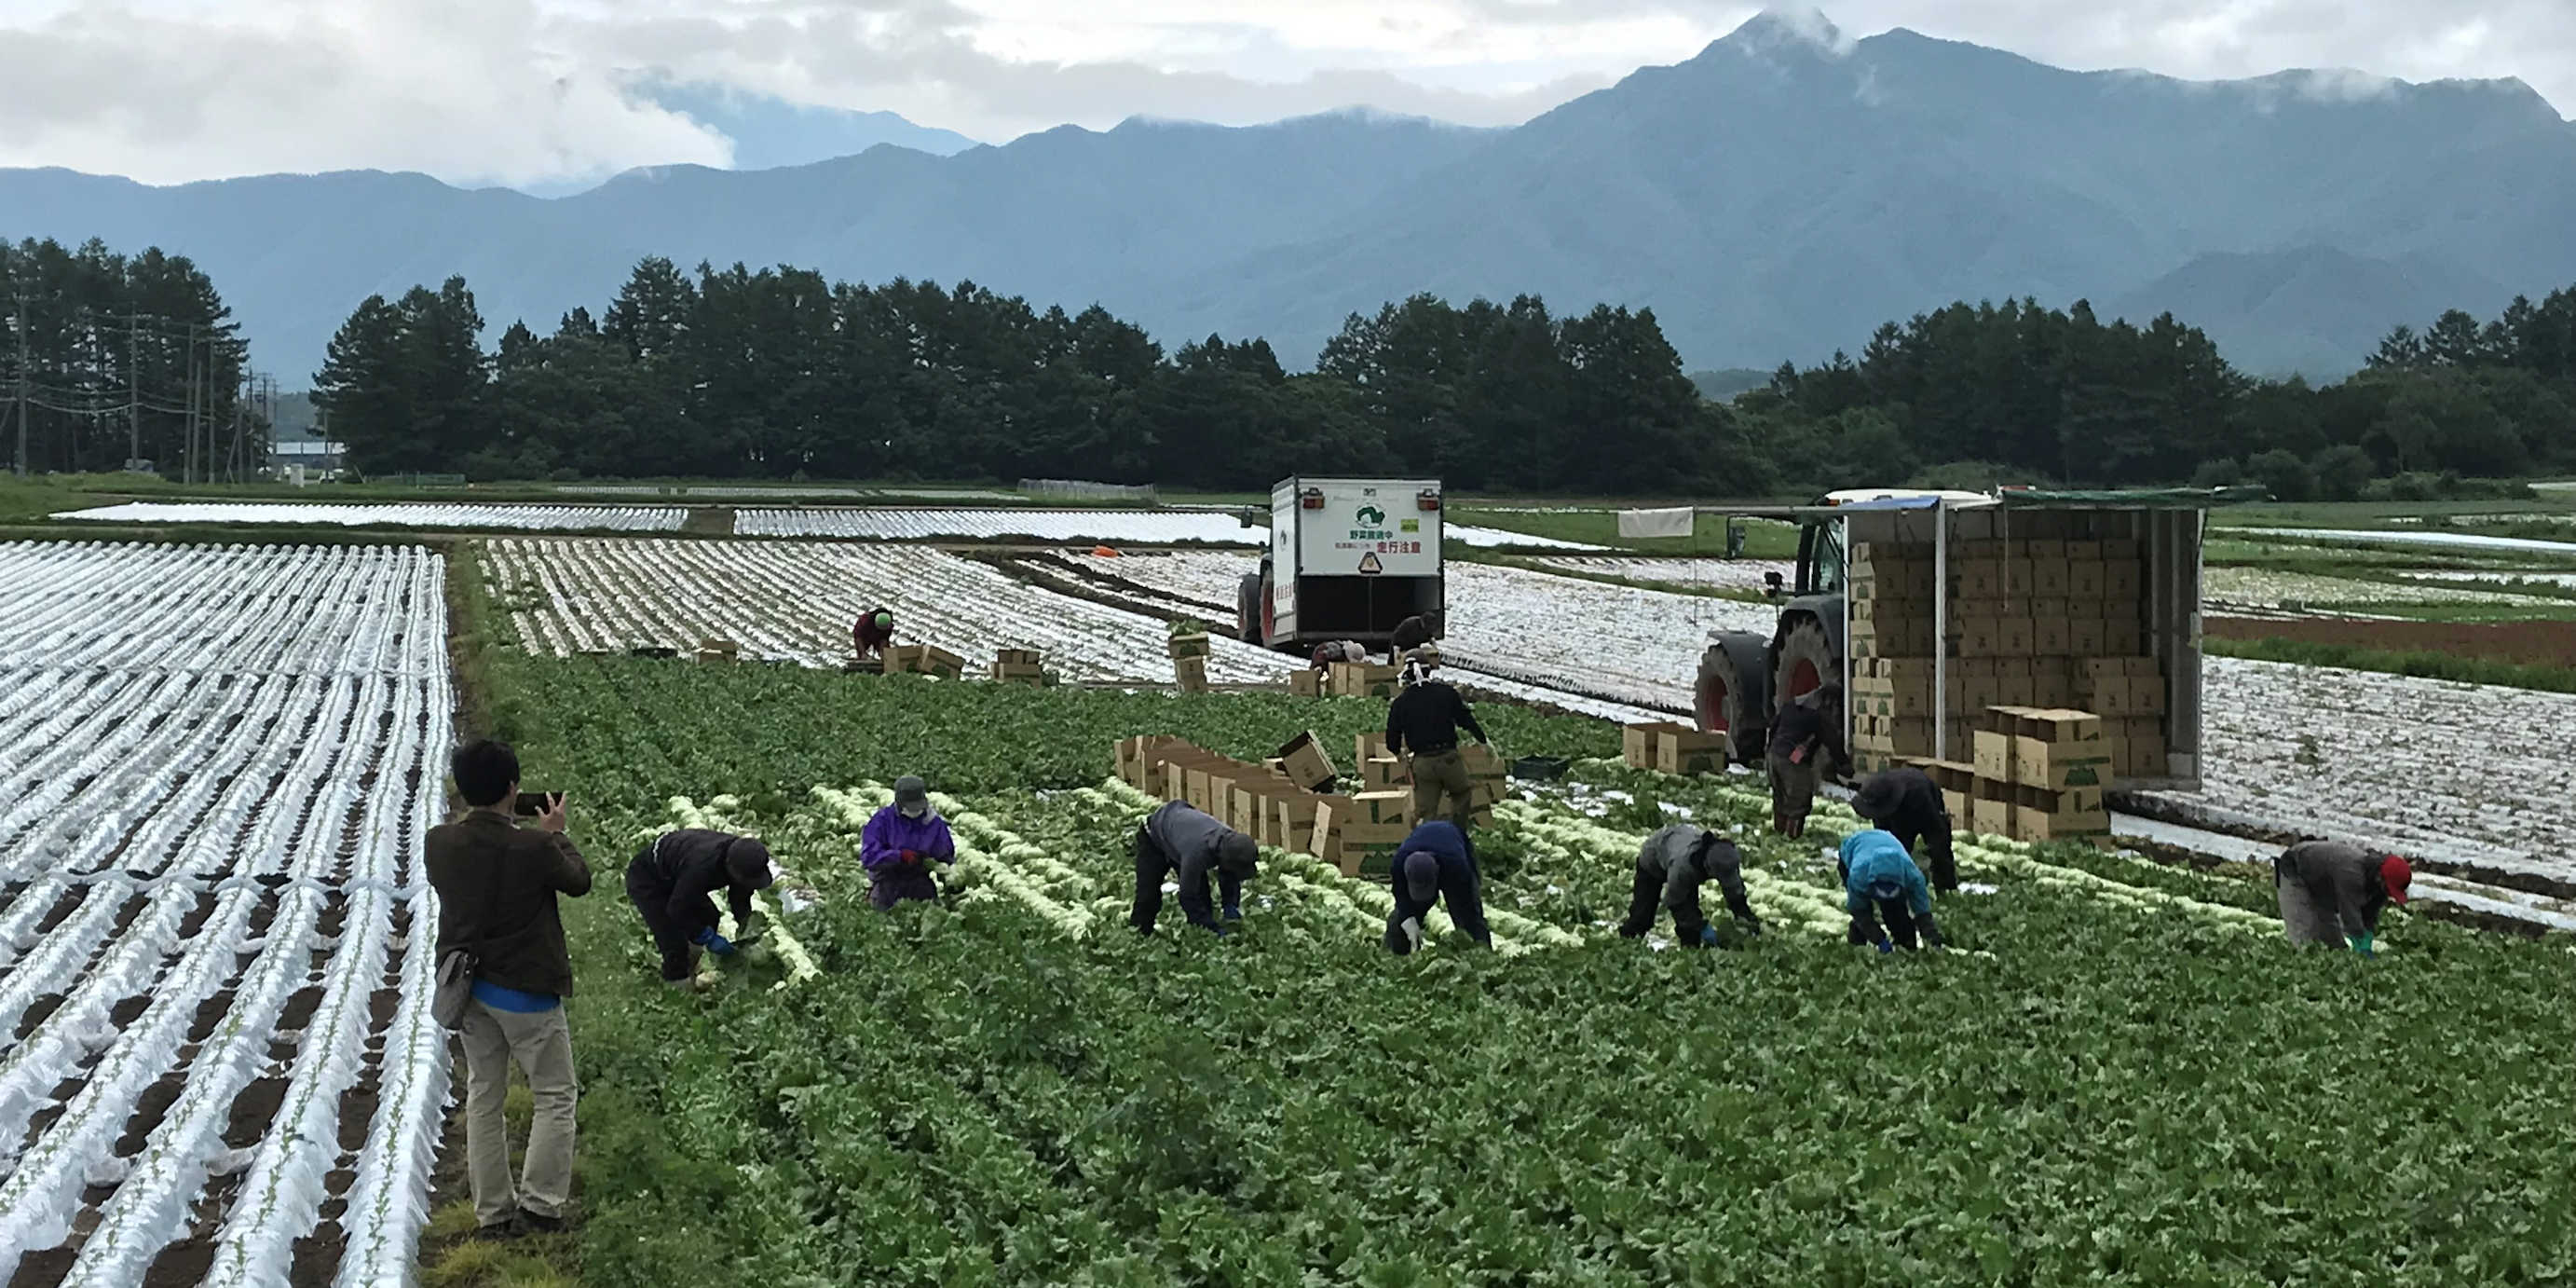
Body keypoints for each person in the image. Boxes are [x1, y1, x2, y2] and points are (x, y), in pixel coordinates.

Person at [424, 739, 590, 1238]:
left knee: (484, 1095)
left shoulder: (440, 841)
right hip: (527, 991)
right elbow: (579, 881)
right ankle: (540, 1207)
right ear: (514, 788)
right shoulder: (536, 847)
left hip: (470, 987)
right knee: (555, 1094)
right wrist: (556, 834)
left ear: (463, 788)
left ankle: (493, 1213)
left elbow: (477, 867)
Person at [625, 827, 776, 989]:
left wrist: (745, 926)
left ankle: (691, 968)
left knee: (710, 917)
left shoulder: (741, 860)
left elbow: (740, 896)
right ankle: (677, 987)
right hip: (648, 879)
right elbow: (676, 908)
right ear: (731, 868)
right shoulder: (703, 866)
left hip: (677, 875)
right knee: (673, 940)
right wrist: (708, 938)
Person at [1385, 658, 1490, 830]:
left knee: (1426, 811)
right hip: (1449, 758)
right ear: (1429, 671)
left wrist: (1397, 753)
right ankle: (1457, 834)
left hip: (1423, 763)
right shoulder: (1446, 693)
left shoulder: (1401, 702)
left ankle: (1426, 843)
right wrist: (1482, 740)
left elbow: (1392, 737)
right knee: (1461, 794)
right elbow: (1465, 719)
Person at [1617, 825, 1762, 948]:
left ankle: (1691, 953)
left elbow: (1734, 892)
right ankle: (1624, 946)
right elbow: (1675, 902)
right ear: (1708, 869)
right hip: (1653, 859)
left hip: (1679, 844)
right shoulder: (1683, 868)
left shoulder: (1726, 859)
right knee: (1643, 916)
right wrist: (1702, 926)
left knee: (1691, 929)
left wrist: (1746, 919)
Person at [1129, 800, 1260, 935]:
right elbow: (1187, 896)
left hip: (1179, 833)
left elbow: (1229, 874)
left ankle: (1201, 938)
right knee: (1148, 897)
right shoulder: (1197, 854)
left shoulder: (1230, 842)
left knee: (1203, 898)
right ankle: (1139, 935)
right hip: (1154, 835)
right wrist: (1210, 927)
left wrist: (1230, 904)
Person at [2275, 841, 2410, 954]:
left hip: (2321, 885)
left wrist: (2367, 936)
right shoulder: (2352, 873)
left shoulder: (2378, 885)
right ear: (2380, 877)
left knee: (2335, 944)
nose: (2388, 893)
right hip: (2295, 870)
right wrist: (2360, 943)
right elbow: (2350, 916)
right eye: (2388, 888)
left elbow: (2370, 914)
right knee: (2305, 938)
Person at [1384, 820, 1490, 954]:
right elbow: (1400, 895)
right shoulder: (1399, 864)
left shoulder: (1457, 865)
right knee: (1400, 921)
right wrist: (1407, 917)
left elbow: (1466, 900)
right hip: (1428, 842)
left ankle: (1482, 958)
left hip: (1452, 845)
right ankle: (1395, 956)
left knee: (1469, 919)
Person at [1851, 765, 1956, 893]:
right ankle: (1894, 885)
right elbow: (1885, 835)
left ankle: (1945, 888)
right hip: (1896, 807)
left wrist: (1938, 859)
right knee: (1892, 848)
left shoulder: (1919, 793)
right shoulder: (1878, 794)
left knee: (1939, 847)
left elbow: (1936, 831)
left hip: (1923, 802)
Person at [1840, 828, 1944, 952]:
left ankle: (1906, 946)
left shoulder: (1913, 877)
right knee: (1863, 914)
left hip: (1887, 841)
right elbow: (1858, 911)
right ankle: (1856, 944)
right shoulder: (1858, 876)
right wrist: (1879, 939)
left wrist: (1931, 936)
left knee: (1896, 913)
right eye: (1882, 891)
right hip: (1854, 847)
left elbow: (1922, 912)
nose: (1886, 895)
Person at [862, 775, 957, 908]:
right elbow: (869, 857)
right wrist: (899, 856)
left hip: (919, 883)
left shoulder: (933, 823)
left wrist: (944, 868)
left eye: (919, 806)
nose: (916, 811)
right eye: (911, 807)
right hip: (887, 884)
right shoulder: (883, 820)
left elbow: (946, 854)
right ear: (899, 803)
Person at [1765, 684, 1845, 839]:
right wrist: (1843, 764)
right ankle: (1793, 840)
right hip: (1791, 761)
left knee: (1780, 797)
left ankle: (1778, 836)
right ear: (1827, 700)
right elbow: (1831, 741)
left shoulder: (1791, 705)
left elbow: (1773, 726)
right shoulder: (1817, 716)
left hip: (1773, 755)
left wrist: (1769, 750)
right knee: (1799, 800)